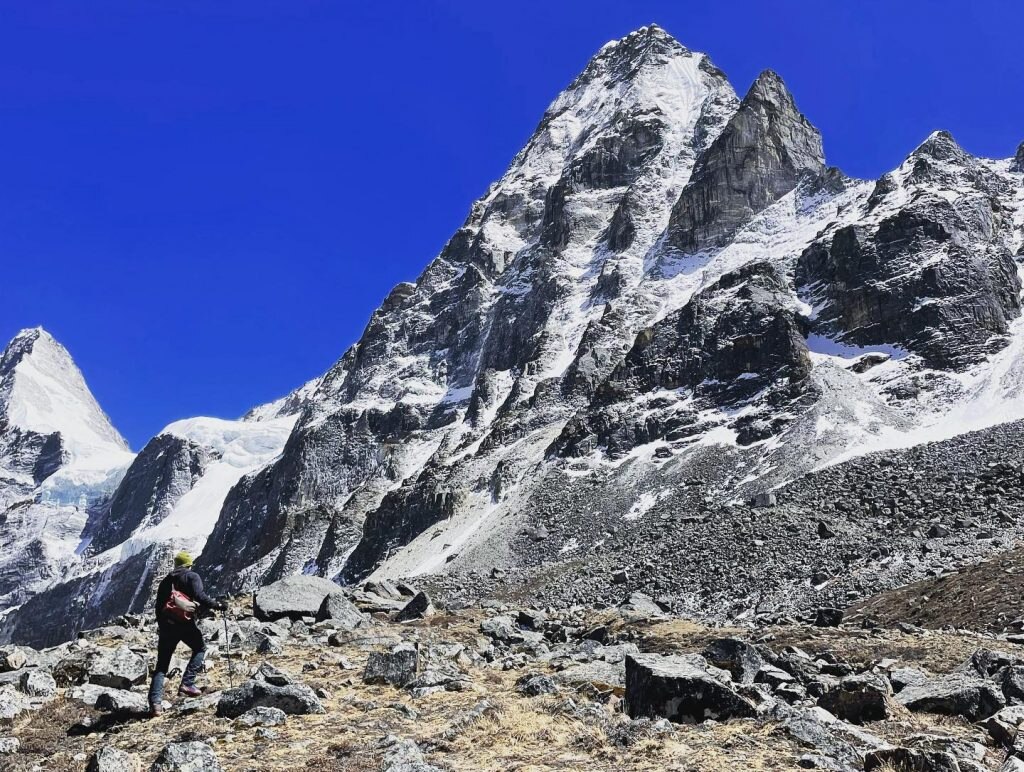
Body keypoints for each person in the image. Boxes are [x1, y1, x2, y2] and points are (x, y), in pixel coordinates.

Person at [148, 550, 226, 717]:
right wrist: (218, 605)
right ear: (189, 564)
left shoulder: (166, 581)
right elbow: (200, 596)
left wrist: (164, 626)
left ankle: (155, 705)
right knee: (200, 648)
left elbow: (158, 606)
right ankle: (187, 684)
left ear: (176, 564)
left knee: (161, 666)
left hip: (167, 626)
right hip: (185, 624)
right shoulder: (192, 576)